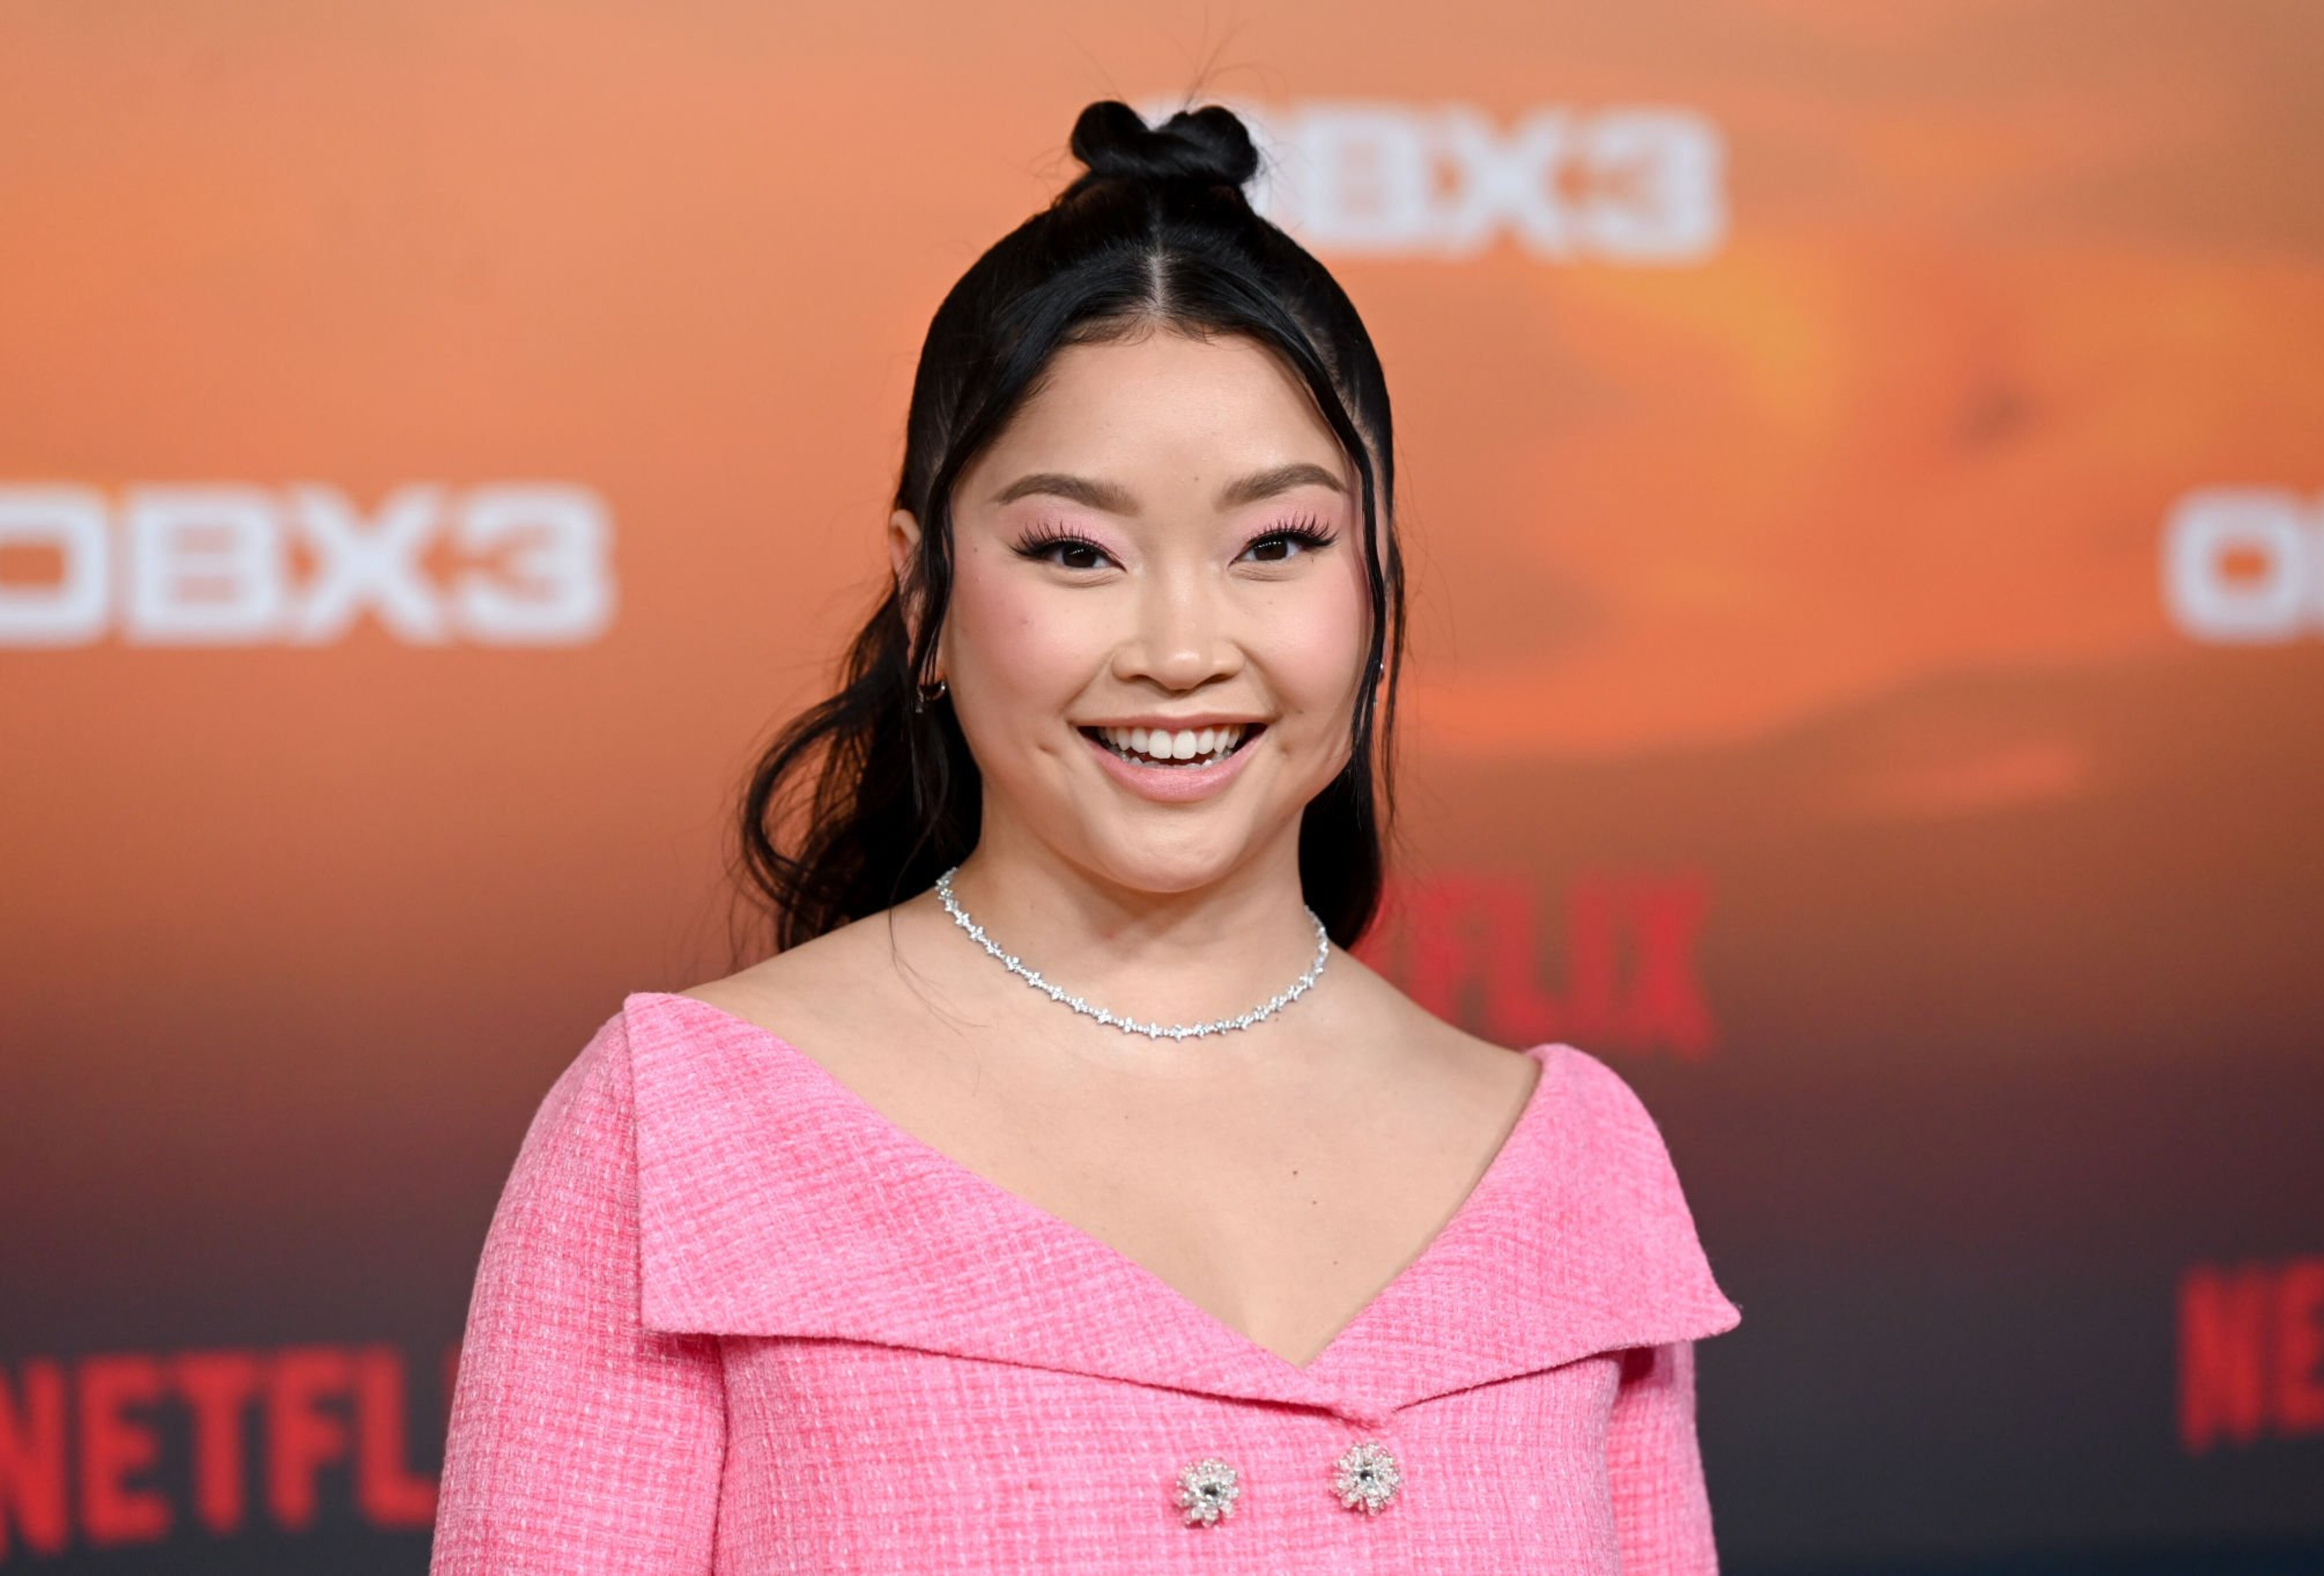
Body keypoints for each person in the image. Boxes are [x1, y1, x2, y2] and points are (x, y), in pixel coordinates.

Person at [428, 98, 1741, 1574]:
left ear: (1375, 581)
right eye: (1076, 553)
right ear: (922, 595)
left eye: (1277, 545)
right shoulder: (681, 1132)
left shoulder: (1567, 1167)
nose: (1180, 650)